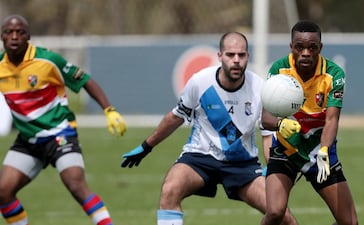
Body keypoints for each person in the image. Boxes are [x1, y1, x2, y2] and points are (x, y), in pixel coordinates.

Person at [120, 32, 297, 225]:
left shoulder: (260, 88)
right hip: (199, 158)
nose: (236, 60)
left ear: (248, 56)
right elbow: (175, 117)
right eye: (230, 55)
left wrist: (272, 169)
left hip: (242, 164)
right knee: (170, 190)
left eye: (241, 55)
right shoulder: (200, 82)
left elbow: (267, 134)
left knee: (282, 214)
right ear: (220, 56)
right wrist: (147, 146)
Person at [0, 15, 127, 225]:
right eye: (9, 32)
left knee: (76, 185)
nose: (14, 37)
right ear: (2, 36)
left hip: (60, 134)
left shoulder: (48, 61)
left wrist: (109, 110)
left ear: (28, 36)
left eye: (20, 32)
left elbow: (85, 80)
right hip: (28, 139)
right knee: (4, 192)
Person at [260, 20, 358, 225]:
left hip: (318, 152)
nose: (306, 52)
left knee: (350, 222)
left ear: (320, 48)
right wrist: (280, 125)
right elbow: (266, 118)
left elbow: (332, 119)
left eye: (312, 48)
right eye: (300, 47)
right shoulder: (278, 69)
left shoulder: (334, 74)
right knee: (276, 212)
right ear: (291, 47)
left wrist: (324, 150)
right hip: (287, 150)